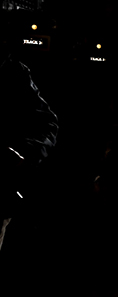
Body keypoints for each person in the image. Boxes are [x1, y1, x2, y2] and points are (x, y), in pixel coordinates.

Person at [0, 36, 58, 251]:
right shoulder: (11, 70)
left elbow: (47, 123)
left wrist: (22, 154)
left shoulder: (11, 71)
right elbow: (47, 124)